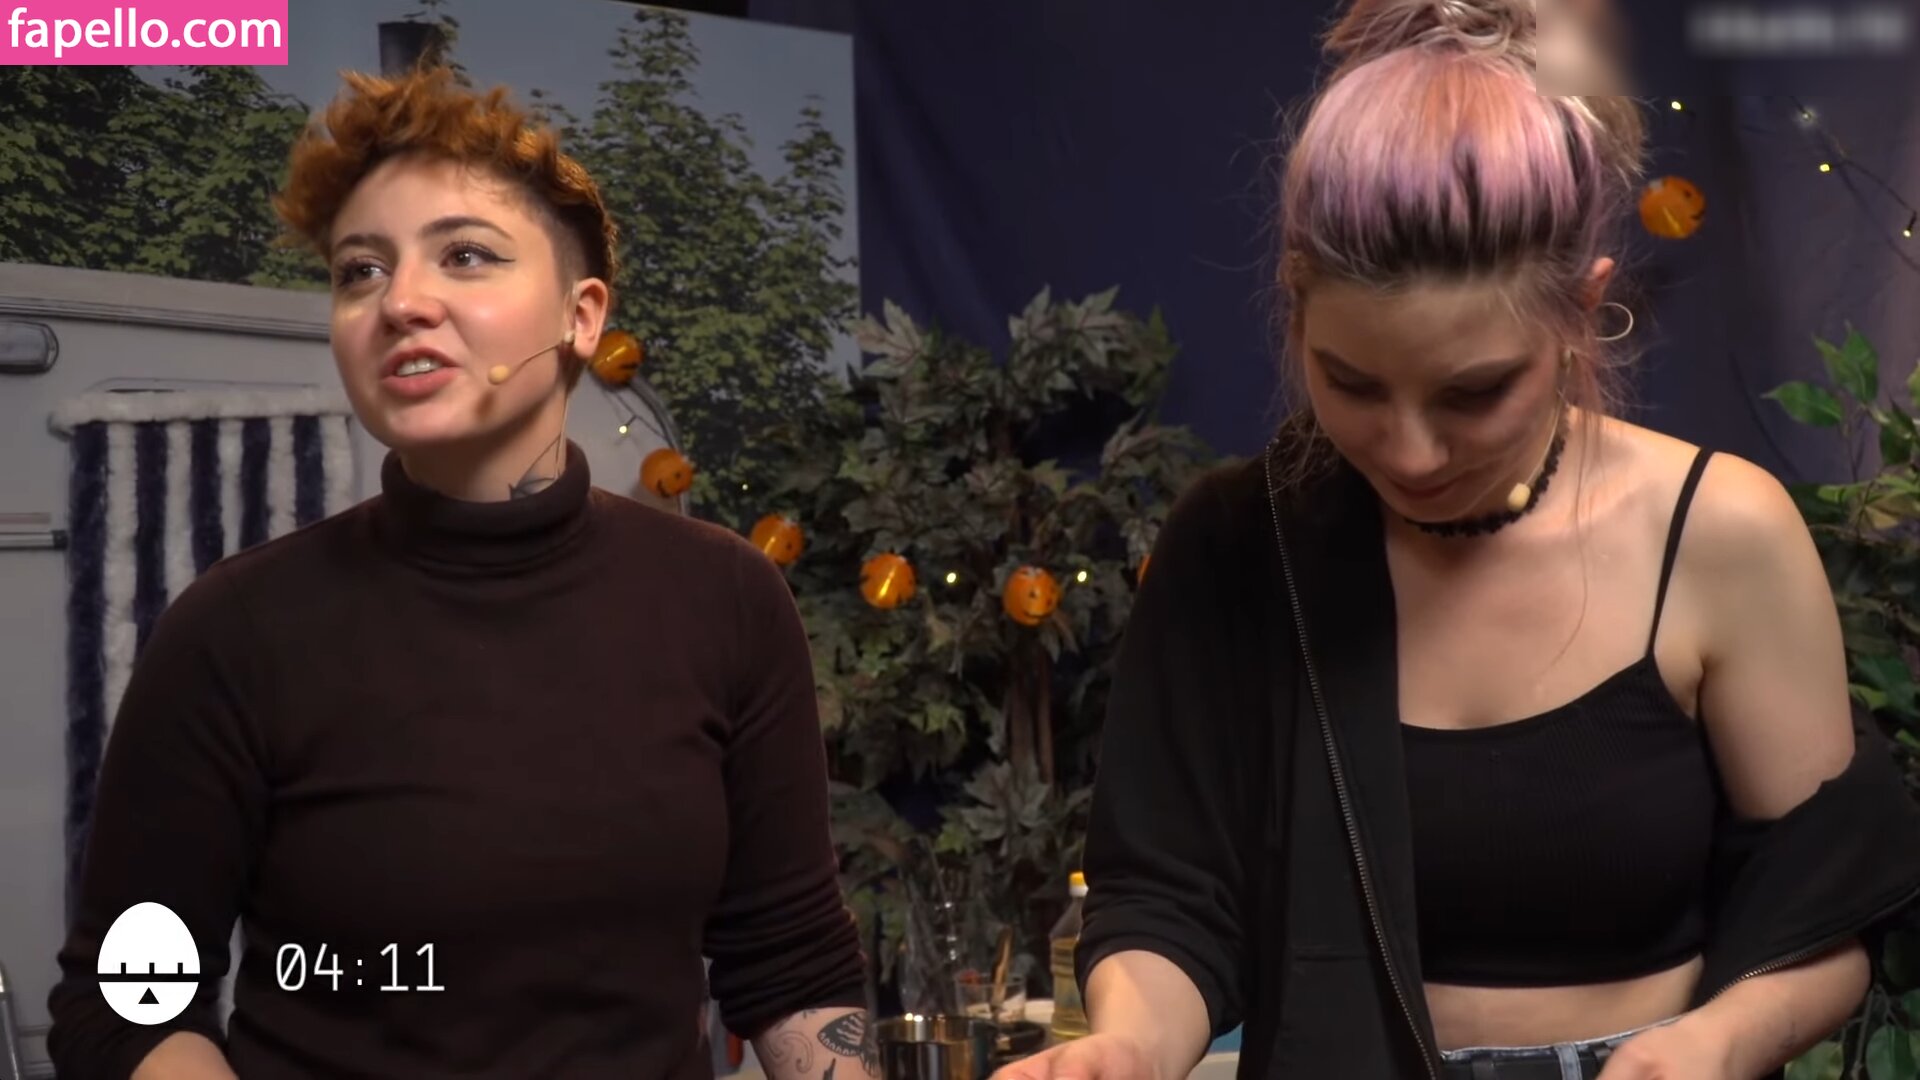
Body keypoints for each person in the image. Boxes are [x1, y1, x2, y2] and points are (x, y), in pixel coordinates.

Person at [998, 2, 1920, 1079]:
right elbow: (1168, 899)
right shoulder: (1240, 545)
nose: (1412, 451)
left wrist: (1713, 1047)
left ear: (1581, 310)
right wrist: (1127, 1049)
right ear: (1296, 307)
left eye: (1474, 393)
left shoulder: (1721, 534)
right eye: (1352, 384)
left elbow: (1824, 919)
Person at [47, 67, 877, 1080]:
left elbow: (792, 966)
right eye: (360, 271)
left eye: (466, 255)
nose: (401, 301)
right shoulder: (235, 628)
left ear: (581, 316)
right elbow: (124, 1005)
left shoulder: (728, 598)